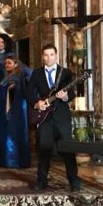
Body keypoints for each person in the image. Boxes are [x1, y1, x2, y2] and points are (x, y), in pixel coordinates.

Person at [26, 44, 81, 192]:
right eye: (46, 55)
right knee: (44, 149)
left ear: (56, 56)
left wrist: (65, 97)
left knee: (68, 149)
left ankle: (74, 180)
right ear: (42, 56)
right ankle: (41, 180)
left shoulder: (66, 73)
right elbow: (29, 92)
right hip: (44, 118)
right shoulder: (36, 73)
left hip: (62, 117)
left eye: (51, 55)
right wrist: (36, 104)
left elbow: (73, 93)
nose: (49, 58)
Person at [0, 55, 31, 168]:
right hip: (5, 109)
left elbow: (21, 90)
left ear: (16, 64)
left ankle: (14, 160)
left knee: (13, 133)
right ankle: (5, 160)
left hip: (15, 110)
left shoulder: (18, 76)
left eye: (9, 63)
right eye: (6, 63)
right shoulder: (6, 75)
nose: (7, 65)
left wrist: (14, 88)